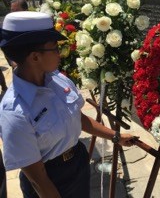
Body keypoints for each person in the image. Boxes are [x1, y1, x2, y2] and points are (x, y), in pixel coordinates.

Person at [0, 11, 137, 198]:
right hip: (50, 179)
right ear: (34, 57)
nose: (60, 54)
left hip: (77, 163)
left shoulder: (57, 81)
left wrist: (115, 136)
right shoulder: (15, 111)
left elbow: (77, 118)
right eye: (54, 48)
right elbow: (37, 179)